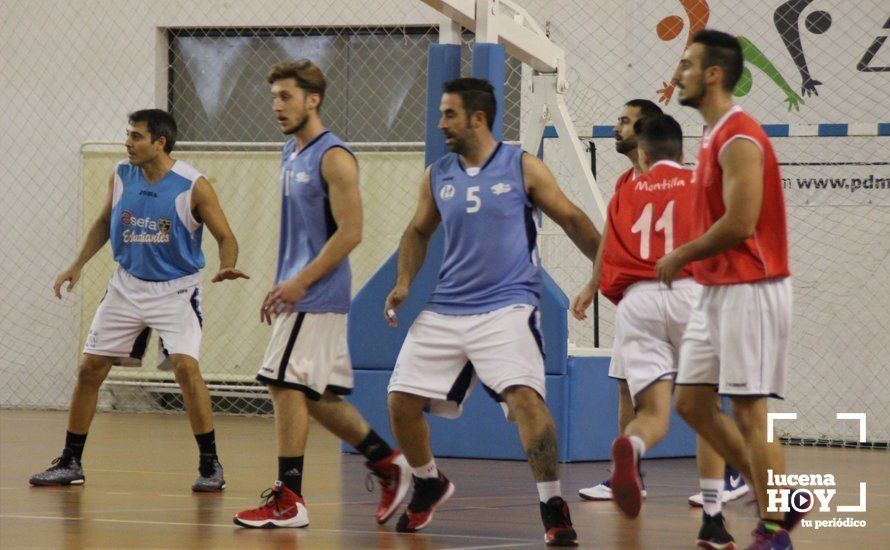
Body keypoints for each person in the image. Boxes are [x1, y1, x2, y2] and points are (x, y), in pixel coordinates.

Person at [384, 77, 601, 547]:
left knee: (526, 400)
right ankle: (428, 482)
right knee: (400, 402)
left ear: (478, 118)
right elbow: (417, 232)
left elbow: (572, 219)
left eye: (449, 114)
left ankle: (551, 503)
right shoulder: (437, 174)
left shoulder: (522, 166)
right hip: (446, 308)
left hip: (507, 305)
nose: (441, 123)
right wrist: (404, 281)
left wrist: (606, 271)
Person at [29, 109, 247, 492]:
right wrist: (77, 264)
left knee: (185, 370)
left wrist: (228, 265)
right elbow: (102, 222)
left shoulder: (193, 185)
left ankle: (210, 465)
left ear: (159, 142)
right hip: (126, 286)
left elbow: (226, 237)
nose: (127, 142)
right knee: (89, 370)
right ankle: (70, 462)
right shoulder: (121, 174)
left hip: (176, 289)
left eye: (135, 136)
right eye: (127, 135)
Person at [233, 60, 410, 529]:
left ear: (313, 99)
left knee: (283, 383)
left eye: (285, 96)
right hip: (300, 291)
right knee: (313, 394)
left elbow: (351, 232)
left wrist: (301, 282)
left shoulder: (334, 156)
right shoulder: (289, 153)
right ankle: (390, 465)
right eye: (273, 97)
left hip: (318, 292)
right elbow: (302, 234)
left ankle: (289, 499)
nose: (276, 106)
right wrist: (284, 282)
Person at [656, 29, 797, 550]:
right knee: (691, 404)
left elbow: (741, 222)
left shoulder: (739, 136)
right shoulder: (711, 136)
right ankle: (778, 490)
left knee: (747, 408)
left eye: (687, 65)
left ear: (713, 74)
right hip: (715, 290)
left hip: (751, 287)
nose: (679, 75)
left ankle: (776, 527)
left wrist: (680, 254)